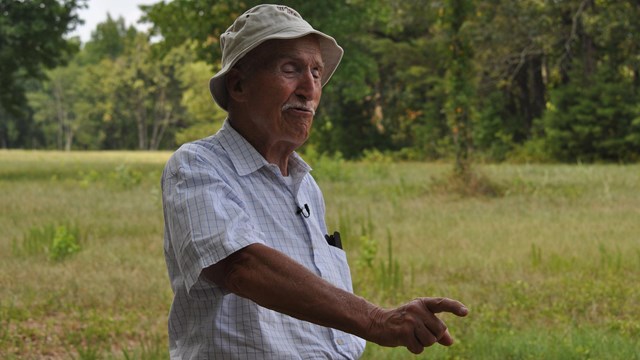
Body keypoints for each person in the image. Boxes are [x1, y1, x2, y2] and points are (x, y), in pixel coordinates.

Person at [161, 4, 468, 359]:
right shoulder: (198, 166)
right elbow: (241, 267)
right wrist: (375, 320)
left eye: (317, 72)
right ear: (239, 84)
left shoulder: (305, 185)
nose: (309, 88)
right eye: (290, 69)